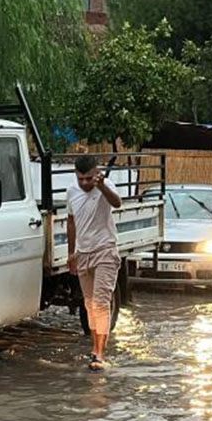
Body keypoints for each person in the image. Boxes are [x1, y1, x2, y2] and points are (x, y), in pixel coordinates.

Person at [67, 155, 123, 371]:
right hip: (83, 253)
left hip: (105, 251)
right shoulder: (72, 191)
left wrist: (101, 186)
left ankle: (100, 354)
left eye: (88, 178)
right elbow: (71, 222)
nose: (84, 183)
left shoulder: (105, 186)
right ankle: (94, 348)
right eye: (80, 179)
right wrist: (72, 253)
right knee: (89, 304)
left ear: (96, 173)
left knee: (100, 302)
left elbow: (117, 203)